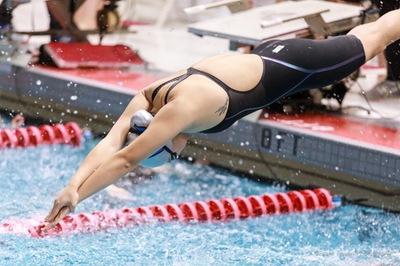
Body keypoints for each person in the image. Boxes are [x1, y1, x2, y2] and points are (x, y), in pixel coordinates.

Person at [45, 8, 400, 226]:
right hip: (272, 56)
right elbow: (111, 142)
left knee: (377, 36)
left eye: (170, 152)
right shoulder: (150, 94)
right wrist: (71, 187)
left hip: (299, 65)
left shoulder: (179, 112)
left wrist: (79, 198)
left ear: (166, 140)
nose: (179, 150)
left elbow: (124, 159)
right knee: (370, 34)